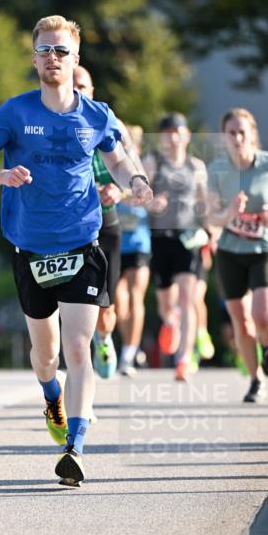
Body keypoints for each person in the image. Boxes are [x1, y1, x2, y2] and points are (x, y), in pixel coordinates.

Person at [0, 15, 153, 486]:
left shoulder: (96, 115)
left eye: (61, 50)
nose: (53, 57)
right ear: (34, 60)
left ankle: (76, 446)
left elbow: (118, 159)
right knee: (46, 355)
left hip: (82, 242)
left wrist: (135, 181)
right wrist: (2, 175)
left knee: (77, 346)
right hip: (30, 247)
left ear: (75, 59)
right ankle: (51, 395)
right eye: (45, 50)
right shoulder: (15, 113)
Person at [207, 108, 268, 402]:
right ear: (224, 137)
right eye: (231, 133)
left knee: (262, 315)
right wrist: (229, 212)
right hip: (230, 252)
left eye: (242, 132)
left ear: (252, 134)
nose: (237, 138)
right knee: (241, 322)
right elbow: (211, 217)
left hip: (263, 249)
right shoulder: (217, 171)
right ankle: (256, 380)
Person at [73, 67, 147, 379]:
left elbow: (137, 178)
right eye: (71, 84)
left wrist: (120, 191)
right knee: (71, 304)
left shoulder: (110, 124)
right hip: (68, 224)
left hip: (106, 222)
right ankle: (78, 365)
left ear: (92, 91)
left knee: (106, 307)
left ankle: (104, 338)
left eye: (81, 85)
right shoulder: (49, 124)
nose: (75, 90)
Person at [143, 113, 209, 382]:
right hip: (160, 239)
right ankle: (171, 322)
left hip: (189, 239)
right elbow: (139, 195)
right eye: (168, 132)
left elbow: (205, 202)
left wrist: (211, 232)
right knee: (166, 306)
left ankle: (184, 358)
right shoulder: (153, 161)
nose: (173, 137)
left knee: (188, 298)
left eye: (177, 131)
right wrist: (152, 204)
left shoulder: (196, 166)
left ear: (187, 135)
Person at [114, 125, 152, 375]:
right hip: (115, 242)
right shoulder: (111, 164)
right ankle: (129, 346)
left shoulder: (144, 168)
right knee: (119, 302)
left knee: (136, 296)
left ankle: (128, 353)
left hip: (138, 243)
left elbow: (149, 198)